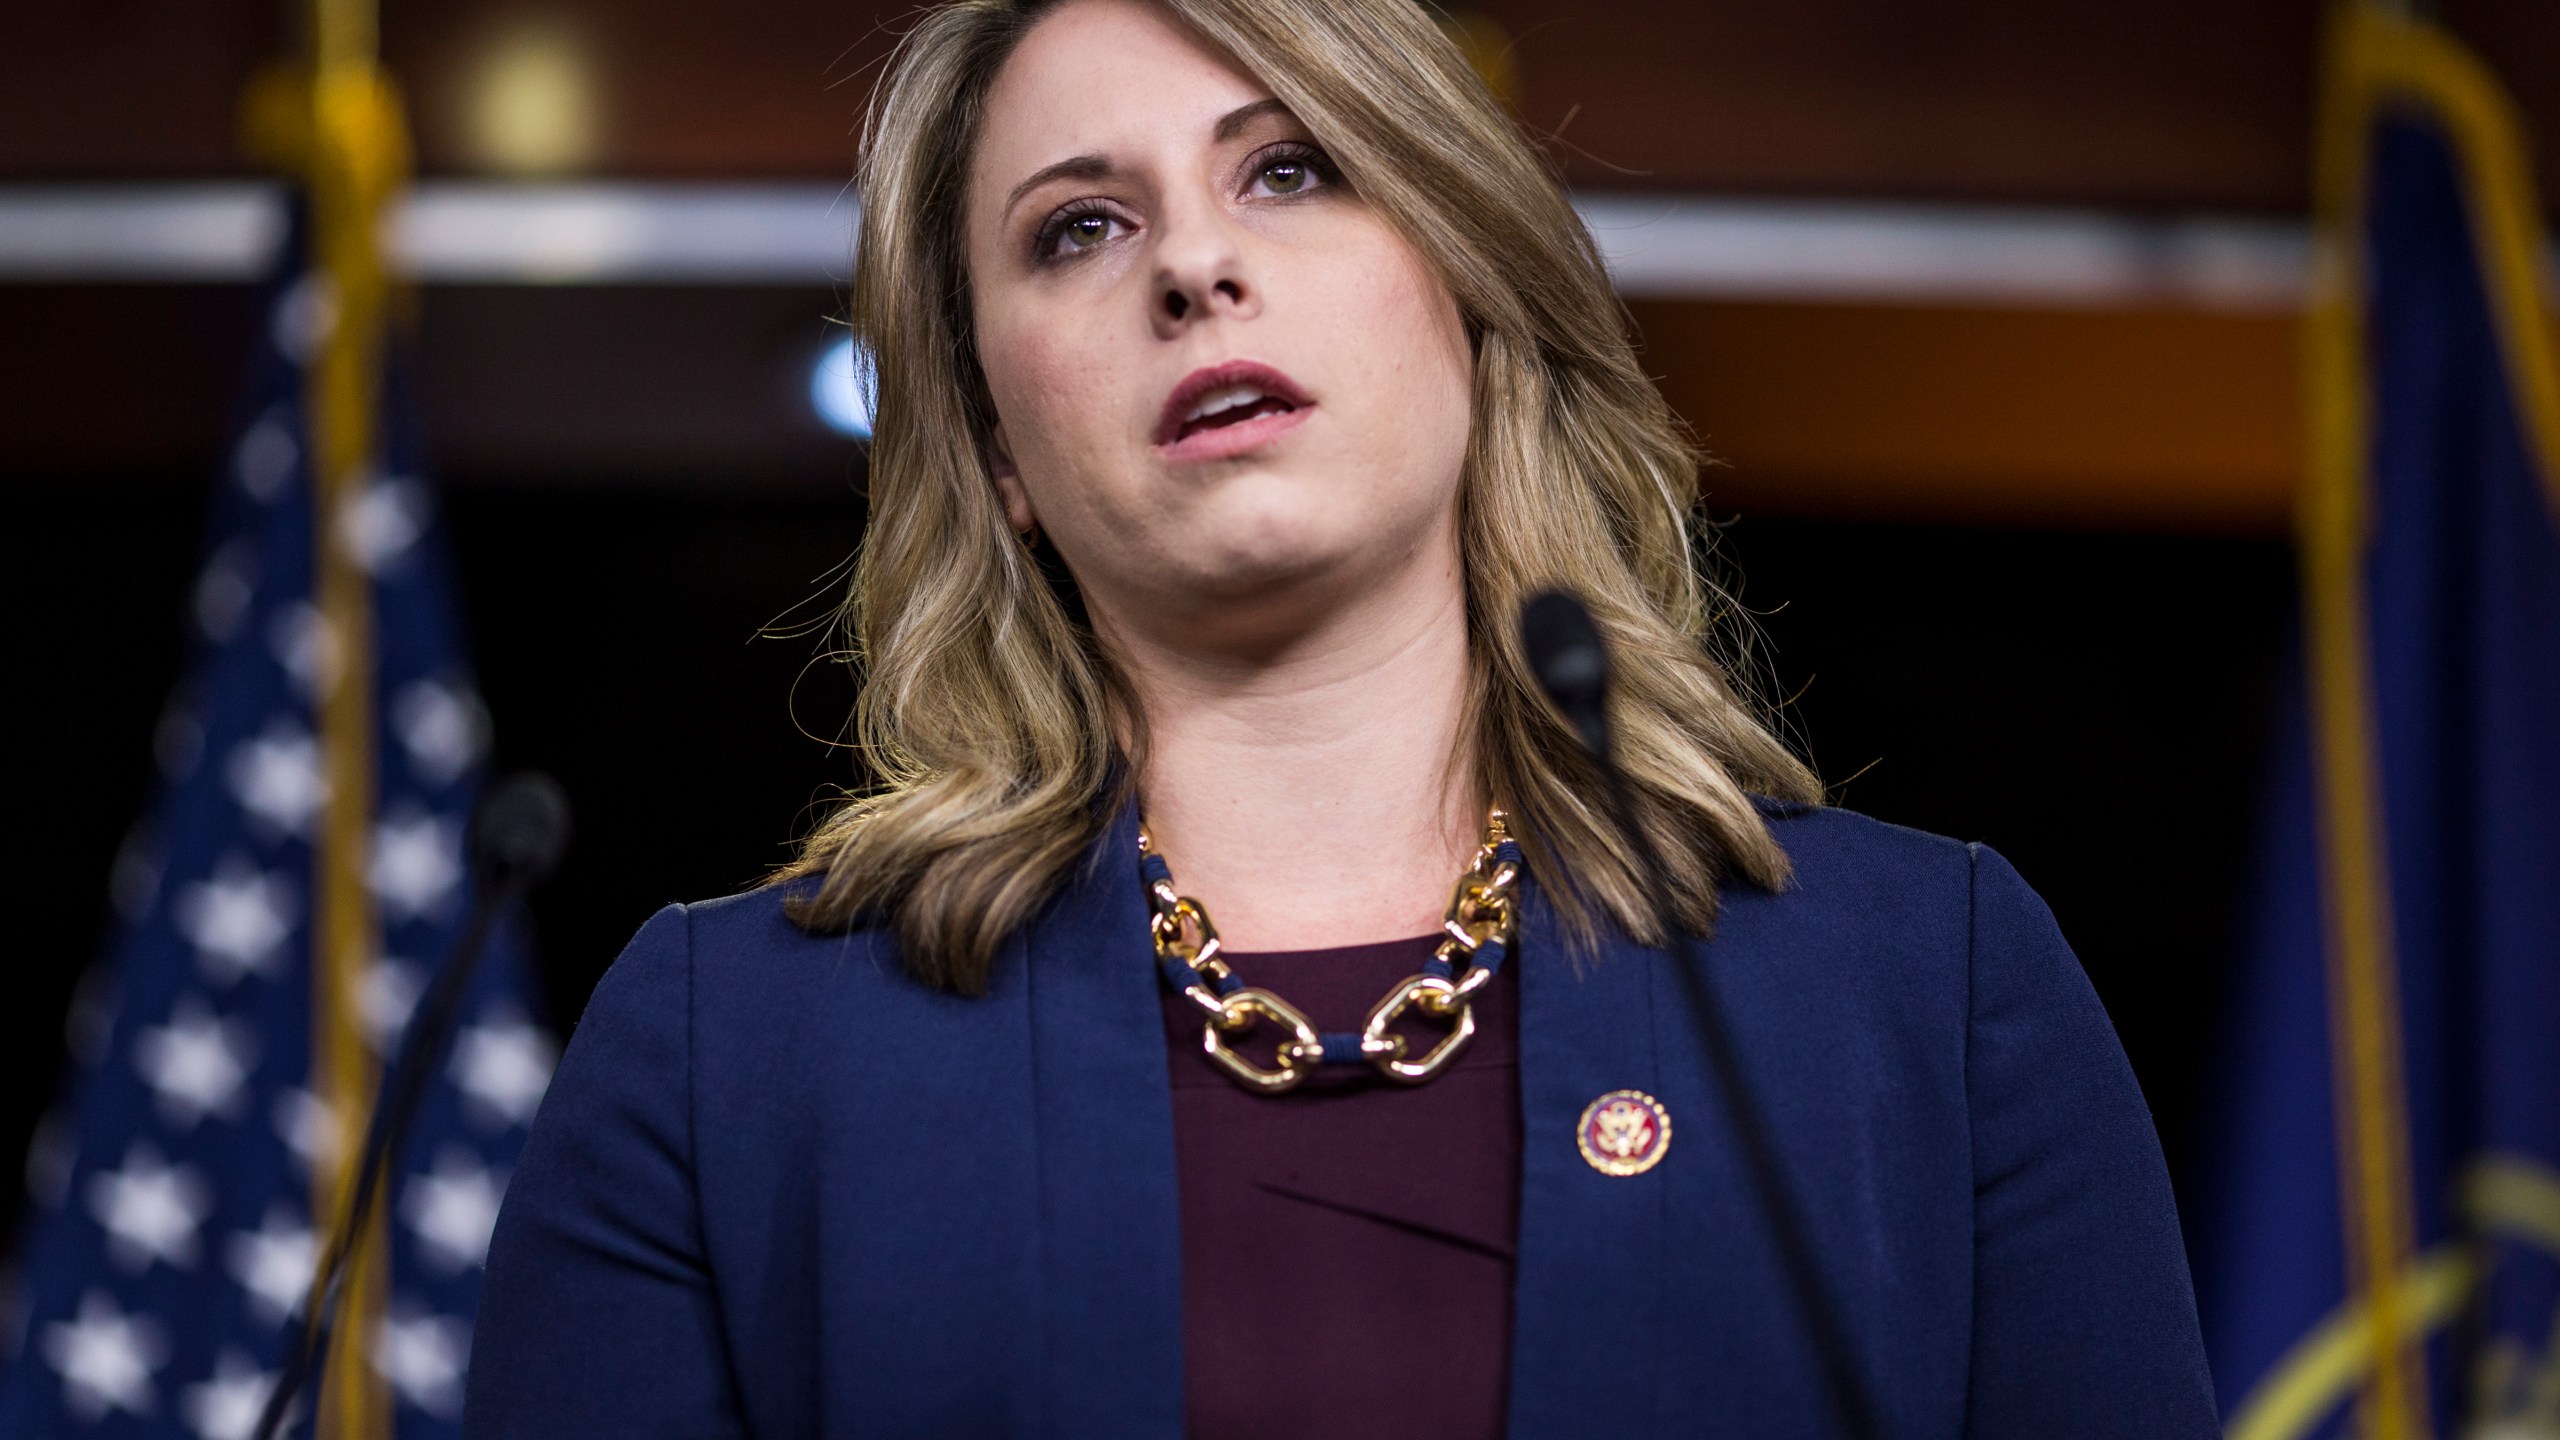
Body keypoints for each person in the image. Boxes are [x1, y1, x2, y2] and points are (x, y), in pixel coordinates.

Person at [462, 0, 2218, 1434]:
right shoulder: (729, 1055)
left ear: (1465, 279)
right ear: (995, 444)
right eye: (1080, 228)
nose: (1196, 268)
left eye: (1291, 171)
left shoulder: (1926, 990)